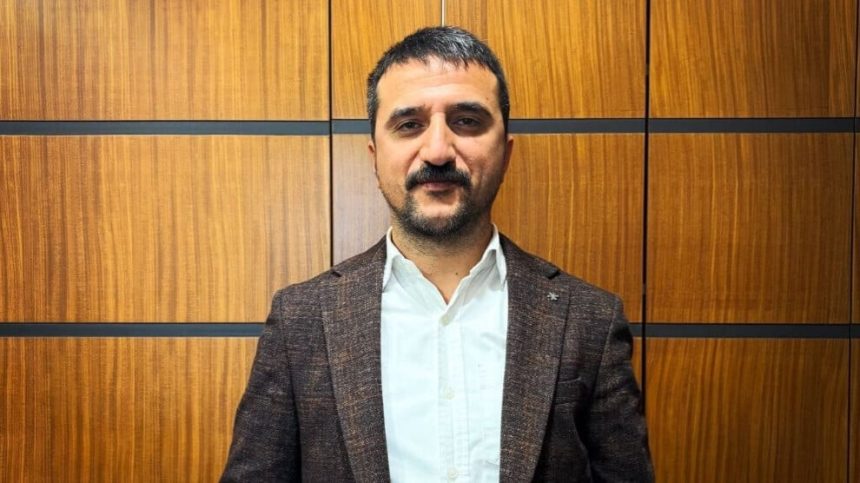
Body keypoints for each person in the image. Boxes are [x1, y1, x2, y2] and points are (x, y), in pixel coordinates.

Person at [221, 26, 653, 482]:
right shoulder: (301, 321)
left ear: (506, 154)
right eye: (409, 124)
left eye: (467, 121)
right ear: (374, 156)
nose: (438, 151)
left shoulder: (589, 320)